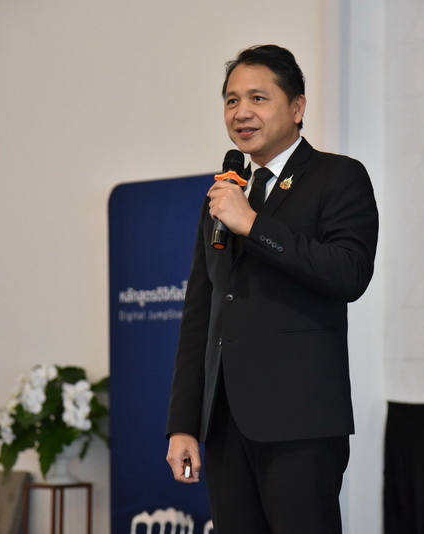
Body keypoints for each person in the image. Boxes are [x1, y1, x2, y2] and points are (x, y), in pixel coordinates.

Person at [166, 44, 378, 534]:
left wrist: (253, 225)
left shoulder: (338, 176)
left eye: (258, 98)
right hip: (224, 422)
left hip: (299, 421)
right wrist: (183, 424)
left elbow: (349, 273)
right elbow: (201, 315)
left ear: (297, 108)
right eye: (231, 100)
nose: (241, 112)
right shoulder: (224, 195)